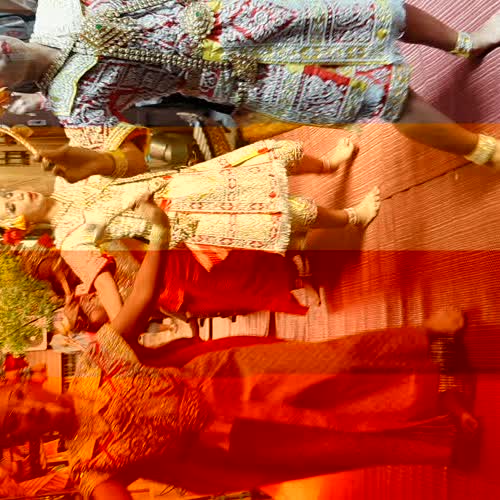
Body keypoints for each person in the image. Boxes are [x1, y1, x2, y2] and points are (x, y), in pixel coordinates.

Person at [0, 195, 480, 500]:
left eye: (16, 399)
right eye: (12, 424)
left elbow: (142, 300)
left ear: (24, 384)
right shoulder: (89, 465)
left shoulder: (95, 363)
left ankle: (426, 338)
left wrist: (160, 232)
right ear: (16, 442)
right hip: (236, 445)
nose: (26, 412)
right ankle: (440, 427)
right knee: (340, 441)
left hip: (231, 375)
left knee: (336, 360)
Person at [0, 0, 499, 182]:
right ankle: (485, 153)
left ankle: (466, 42)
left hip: (241, 18)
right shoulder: (74, 104)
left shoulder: (59, 7)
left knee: (375, 13)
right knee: (380, 99)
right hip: (238, 81)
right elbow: (152, 154)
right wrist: (96, 164)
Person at [0, 139, 381, 322]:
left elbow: (124, 154)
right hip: (190, 220)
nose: (19, 196)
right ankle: (353, 217)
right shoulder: (70, 237)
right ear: (19, 225)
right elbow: (111, 297)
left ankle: (328, 164)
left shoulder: (65, 178)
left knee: (276, 152)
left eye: (10, 194)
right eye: (12, 206)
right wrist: (122, 334)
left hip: (187, 179)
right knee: (294, 213)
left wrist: (73, 155)